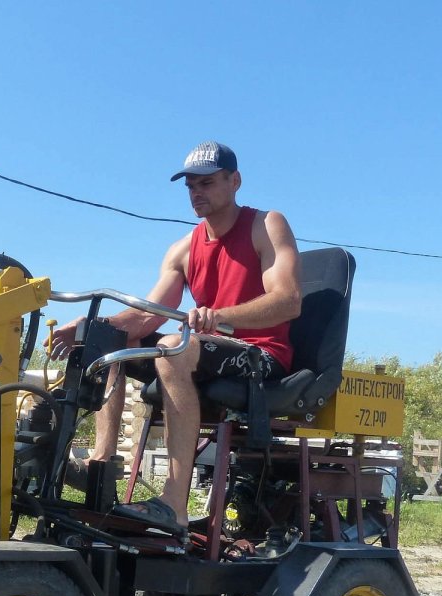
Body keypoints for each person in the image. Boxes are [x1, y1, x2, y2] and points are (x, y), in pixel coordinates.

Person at [48, 140, 301, 531]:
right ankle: (99, 465)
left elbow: (288, 302)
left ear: (235, 181)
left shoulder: (265, 225)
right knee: (109, 339)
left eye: (208, 182)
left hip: (259, 353)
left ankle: (174, 504)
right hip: (202, 346)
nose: (197, 192)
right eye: (191, 186)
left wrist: (219, 317)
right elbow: (145, 318)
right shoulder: (183, 249)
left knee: (172, 347)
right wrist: (90, 325)